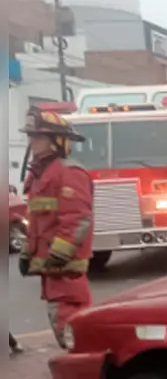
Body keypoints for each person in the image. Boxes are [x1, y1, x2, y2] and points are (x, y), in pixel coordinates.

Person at [18, 108, 94, 349]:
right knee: (63, 323)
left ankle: (83, 369)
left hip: (65, 267)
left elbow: (77, 218)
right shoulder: (42, 174)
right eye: (31, 136)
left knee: (69, 324)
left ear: (56, 141)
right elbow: (38, 220)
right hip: (52, 268)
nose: (32, 141)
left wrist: (60, 253)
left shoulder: (68, 172)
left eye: (38, 137)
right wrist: (26, 251)